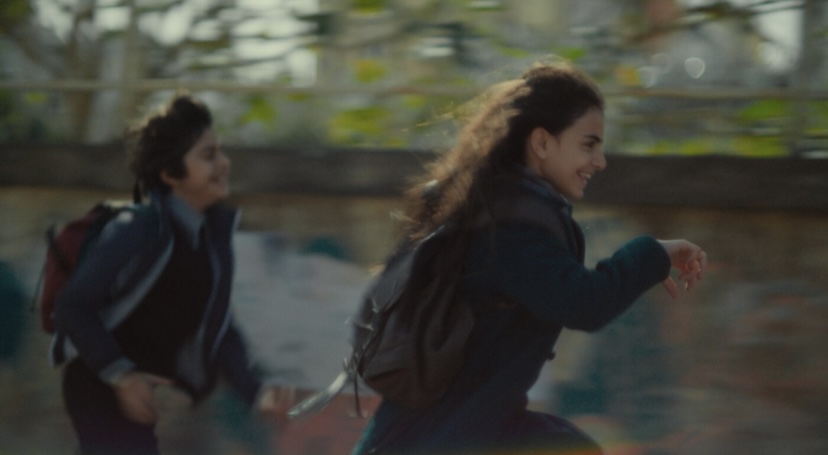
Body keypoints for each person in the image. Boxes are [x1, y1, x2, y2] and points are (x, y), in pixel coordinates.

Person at [350, 61, 707, 455]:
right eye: (588, 144)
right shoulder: (510, 229)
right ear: (541, 143)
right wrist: (653, 254)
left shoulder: (498, 211)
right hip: (445, 436)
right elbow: (583, 303)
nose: (600, 161)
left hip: (457, 428)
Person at [50, 94, 293, 455]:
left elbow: (218, 328)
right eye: (208, 156)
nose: (224, 164)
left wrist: (255, 391)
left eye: (221, 152)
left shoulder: (209, 241)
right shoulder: (137, 229)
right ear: (170, 174)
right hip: (98, 384)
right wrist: (122, 375)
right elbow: (72, 307)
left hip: (139, 395)